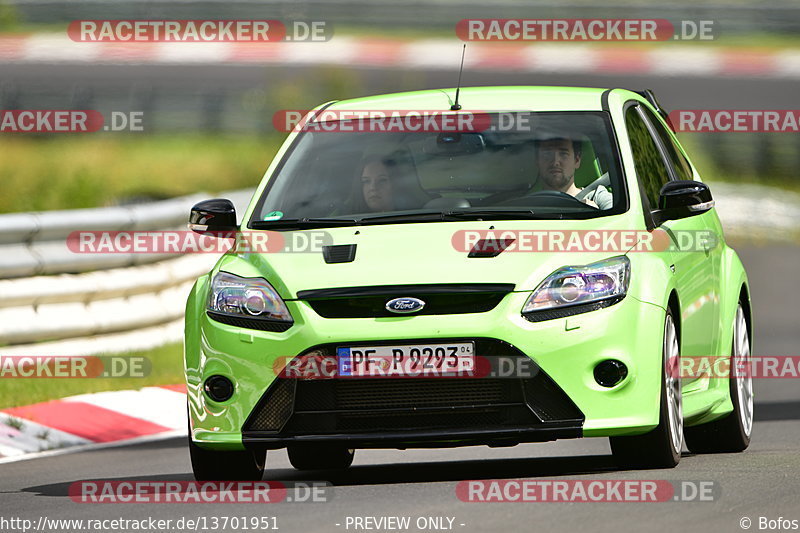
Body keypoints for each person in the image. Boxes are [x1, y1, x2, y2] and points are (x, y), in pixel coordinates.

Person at [536, 137, 613, 210]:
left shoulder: (598, 197)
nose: (555, 162)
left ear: (577, 160)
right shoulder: (526, 206)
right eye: (547, 154)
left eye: (563, 154)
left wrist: (596, 215)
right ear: (537, 161)